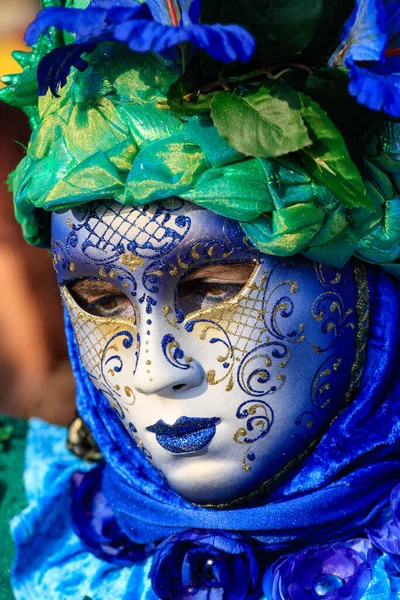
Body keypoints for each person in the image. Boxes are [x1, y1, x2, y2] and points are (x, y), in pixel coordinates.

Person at [1, 0, 400, 598]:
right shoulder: (23, 523)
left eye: (214, 287)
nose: (156, 371)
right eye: (100, 299)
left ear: (365, 283)